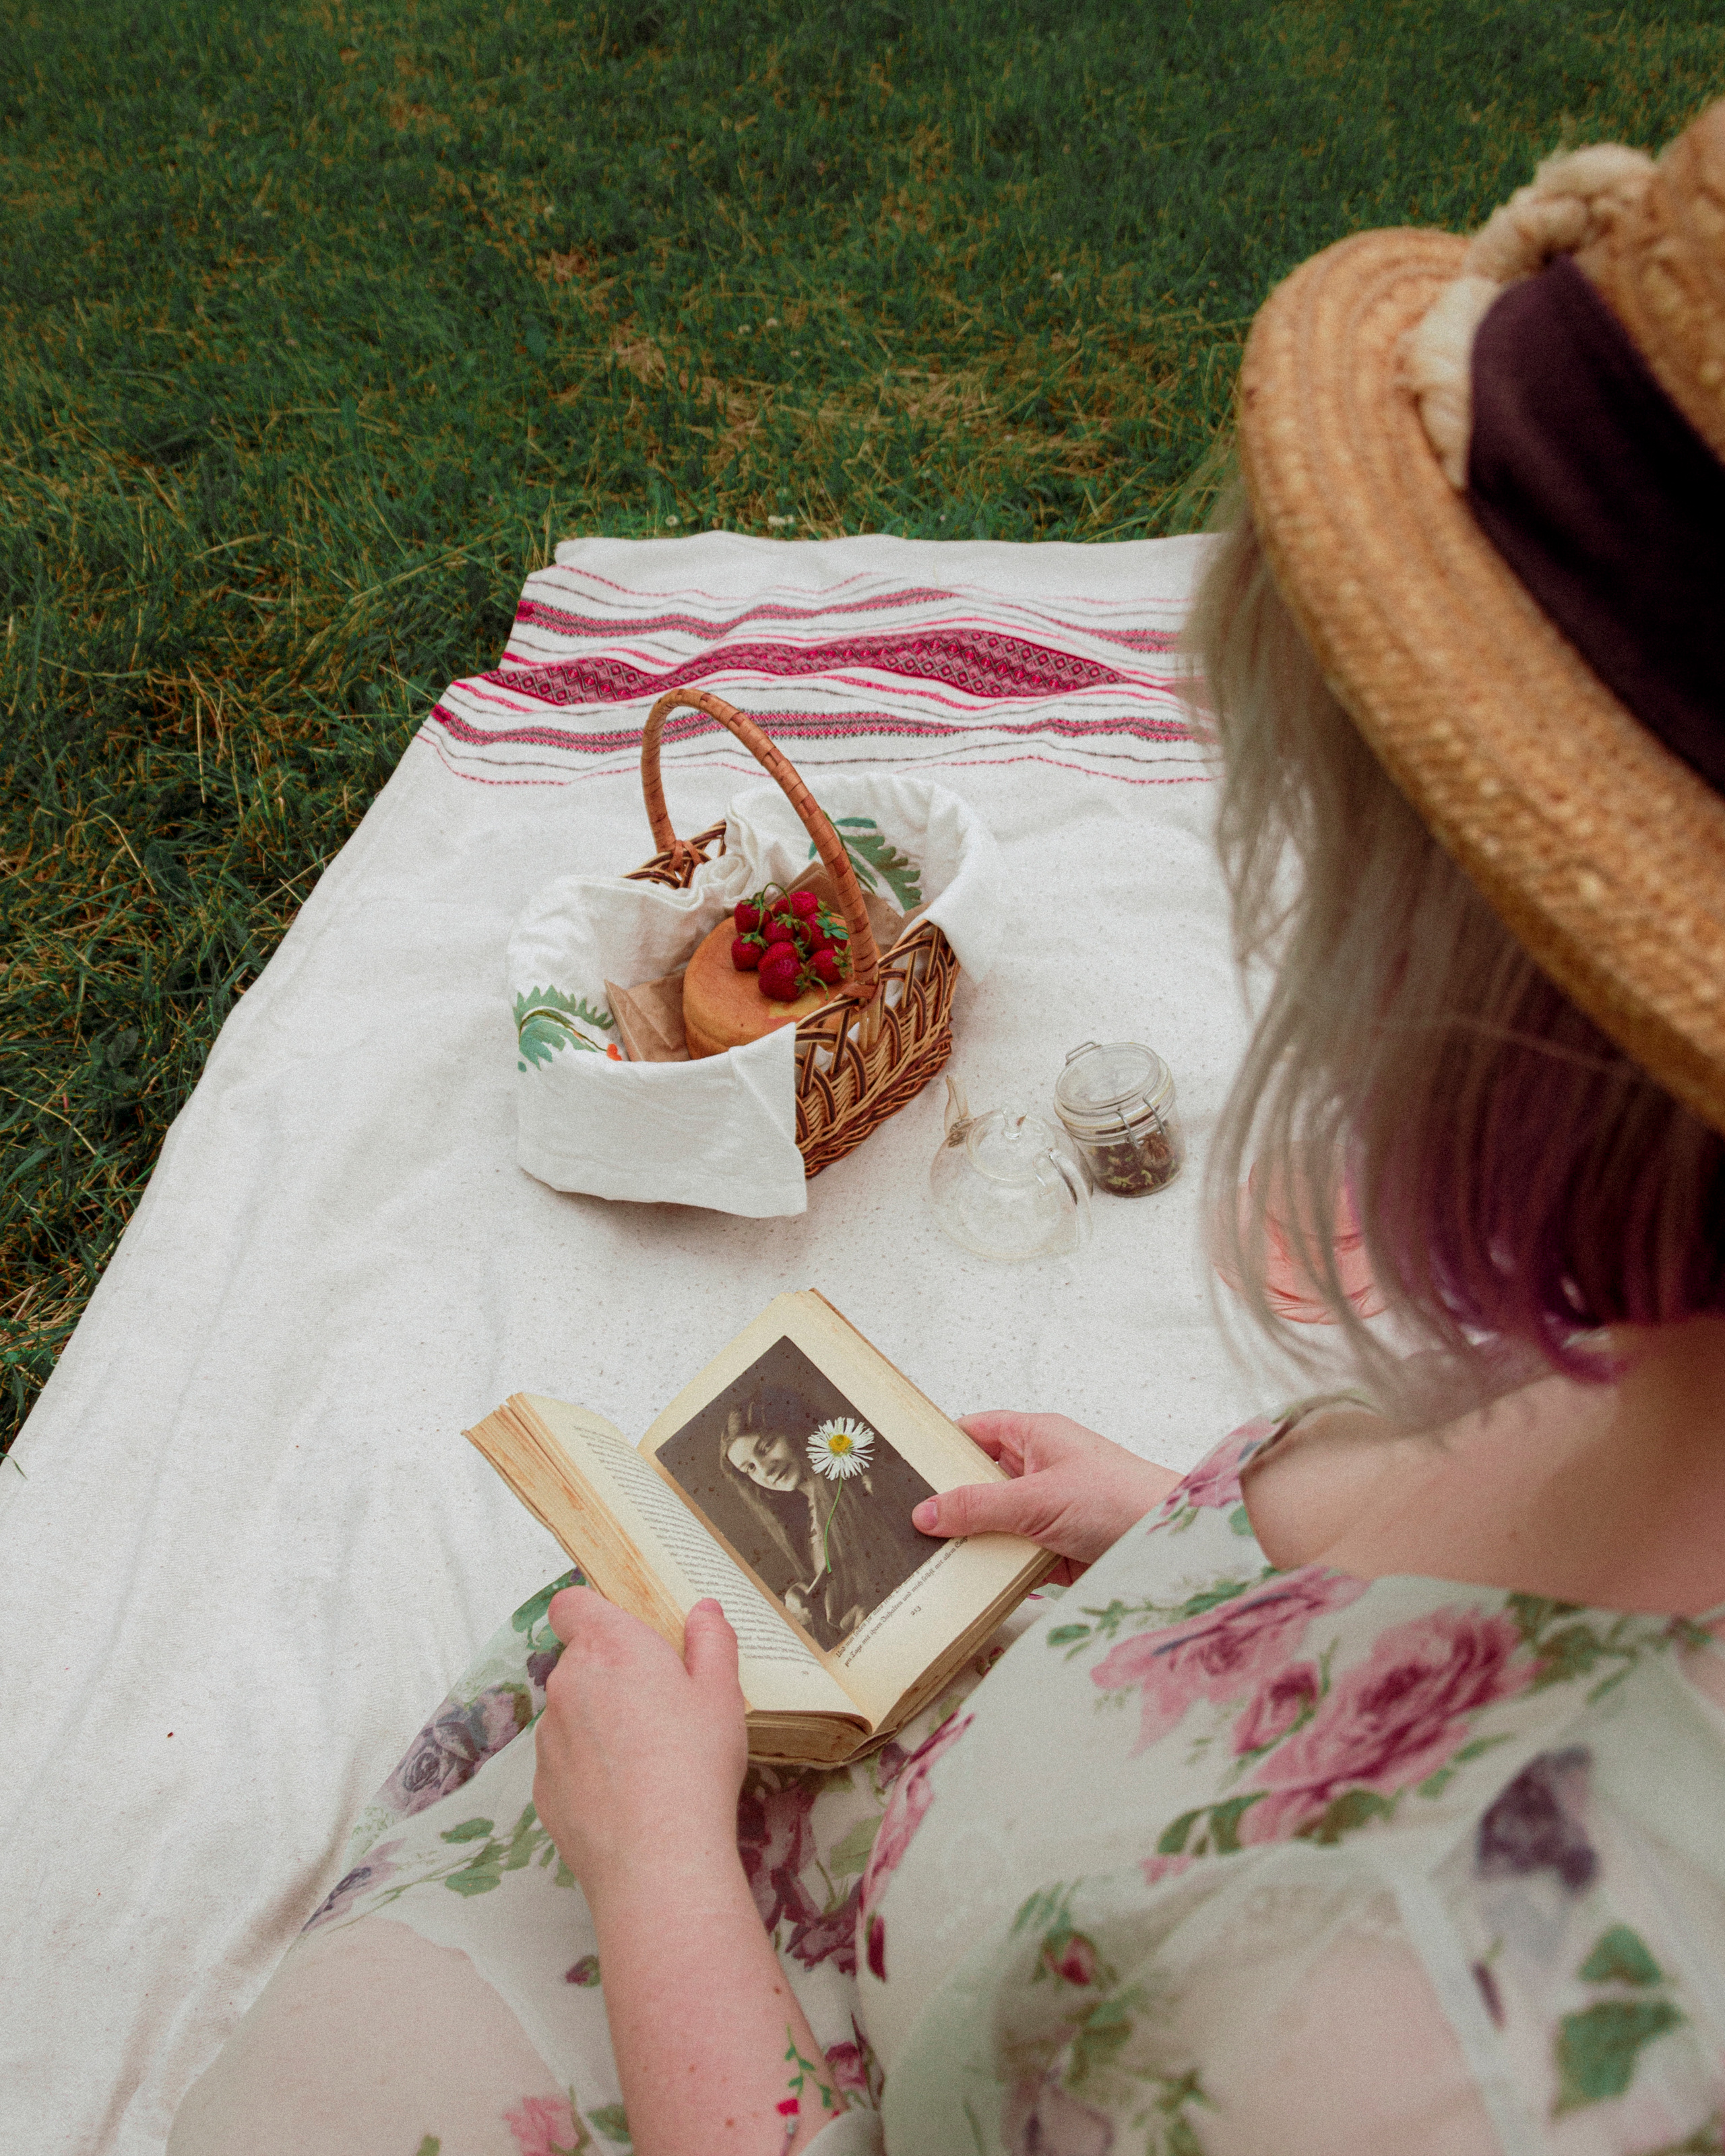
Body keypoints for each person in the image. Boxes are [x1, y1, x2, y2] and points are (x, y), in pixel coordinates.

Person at [170, 100, 1725, 2156]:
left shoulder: (1468, 2041)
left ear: (1552, 1048)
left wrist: (661, 1871)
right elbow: (1470, 1569)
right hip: (972, 1818)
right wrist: (1193, 1543)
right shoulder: (1649, 1342)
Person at [715, 1393, 936, 1649]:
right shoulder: (801, 1526)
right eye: (750, 1468)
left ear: (794, 1427)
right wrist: (803, 1601)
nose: (765, 1470)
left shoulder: (866, 1480)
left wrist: (883, 1604)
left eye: (766, 1447)